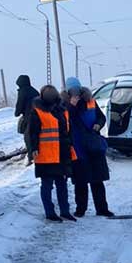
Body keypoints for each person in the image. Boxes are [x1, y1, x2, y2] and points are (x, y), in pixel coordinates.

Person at [26, 85, 77, 222]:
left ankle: (65, 211)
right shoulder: (37, 111)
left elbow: (67, 131)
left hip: (62, 153)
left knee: (62, 184)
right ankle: (50, 212)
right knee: (47, 185)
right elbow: (32, 133)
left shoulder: (62, 110)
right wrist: (33, 149)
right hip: (45, 155)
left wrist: (70, 147)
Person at [65, 77, 114, 217]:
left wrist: (98, 124)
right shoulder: (65, 104)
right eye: (72, 90)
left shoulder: (90, 100)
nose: (76, 92)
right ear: (68, 91)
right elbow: (66, 120)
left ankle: (102, 208)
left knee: (97, 179)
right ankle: (81, 209)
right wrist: (72, 105)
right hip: (77, 146)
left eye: (77, 89)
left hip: (93, 145)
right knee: (80, 181)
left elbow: (101, 117)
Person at [15, 75, 40, 165]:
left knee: (28, 136)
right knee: (35, 136)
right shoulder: (34, 91)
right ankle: (36, 152)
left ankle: (31, 157)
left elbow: (20, 104)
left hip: (29, 117)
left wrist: (17, 113)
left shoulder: (23, 91)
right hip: (39, 116)